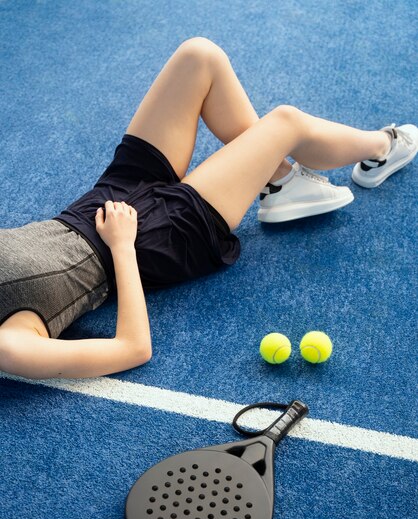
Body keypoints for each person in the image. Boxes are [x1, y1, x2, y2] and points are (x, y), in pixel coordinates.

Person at [0, 37, 416, 381]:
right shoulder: (10, 348)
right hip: (156, 237)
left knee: (199, 58)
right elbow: (132, 349)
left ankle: (283, 182)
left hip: (105, 197)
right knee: (287, 122)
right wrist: (122, 245)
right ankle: (382, 148)